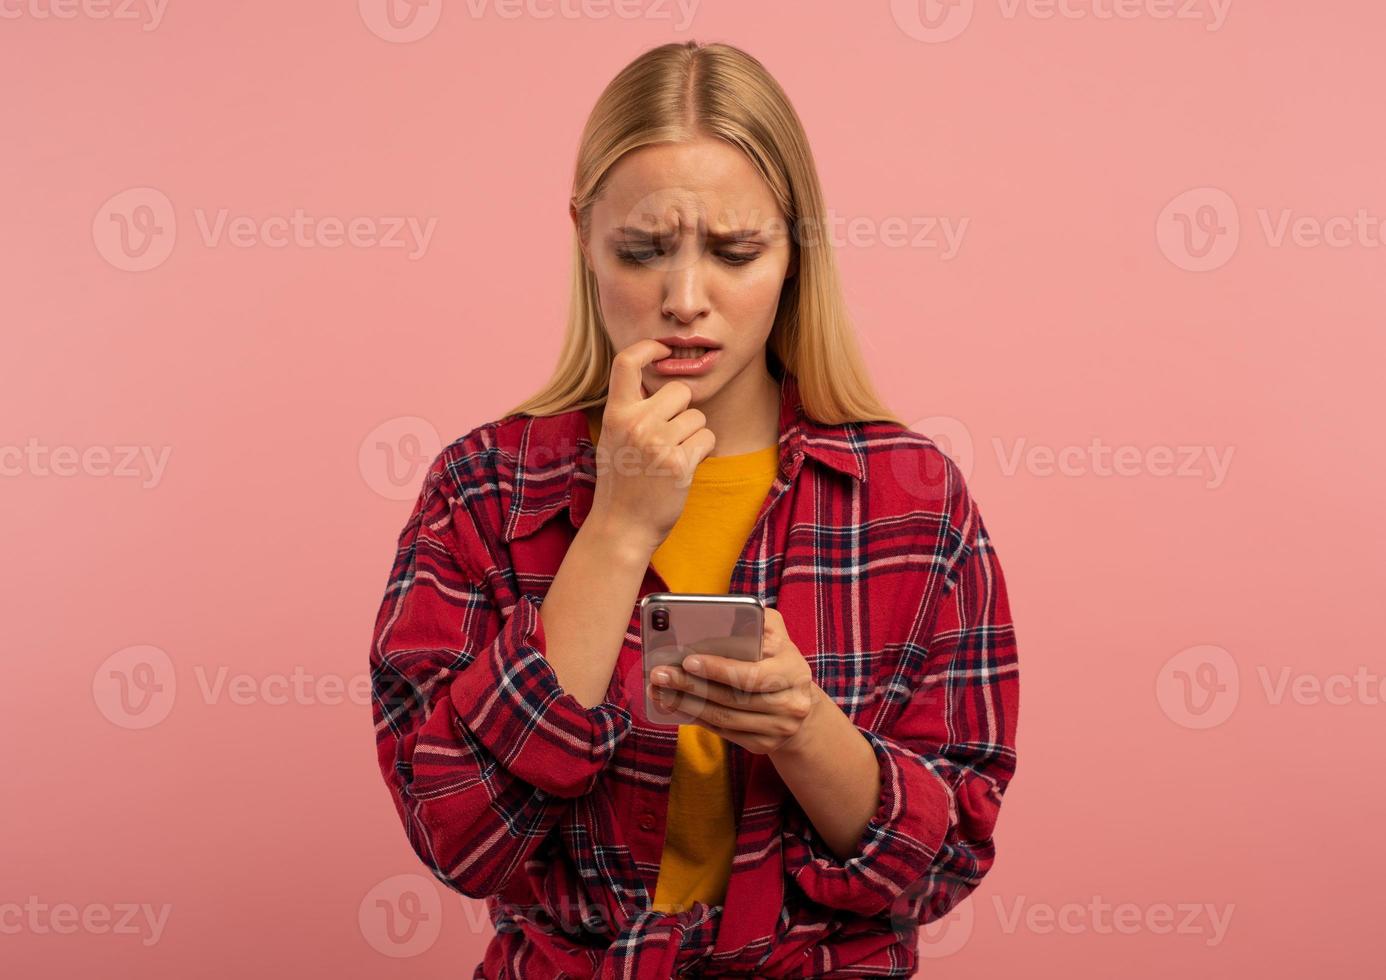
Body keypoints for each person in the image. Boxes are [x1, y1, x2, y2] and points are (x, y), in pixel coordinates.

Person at [368, 39, 1019, 979]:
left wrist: (804, 727)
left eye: (736, 251)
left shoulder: (910, 498)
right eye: (642, 250)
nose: (684, 300)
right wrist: (620, 525)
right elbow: (457, 835)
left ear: (797, 250)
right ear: (585, 236)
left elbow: (947, 859)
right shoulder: (483, 488)